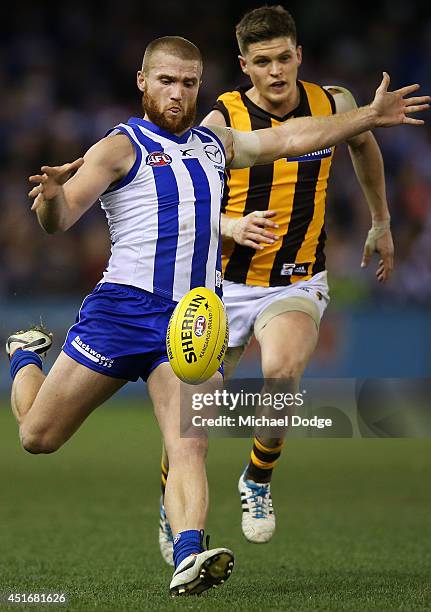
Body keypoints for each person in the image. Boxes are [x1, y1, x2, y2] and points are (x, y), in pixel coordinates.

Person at [6, 34, 427, 596]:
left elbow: (292, 136)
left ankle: (188, 555)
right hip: (119, 314)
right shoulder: (119, 146)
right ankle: (24, 356)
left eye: (188, 83)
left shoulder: (213, 143)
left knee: (190, 440)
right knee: (38, 437)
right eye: (166, 81)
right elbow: (59, 220)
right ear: (142, 82)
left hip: (189, 320)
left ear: (199, 87)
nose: (177, 93)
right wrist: (52, 197)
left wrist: (367, 118)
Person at [158, 7, 429, 564]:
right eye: (262, 62)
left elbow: (365, 149)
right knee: (194, 417)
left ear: (299, 55)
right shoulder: (221, 120)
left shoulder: (337, 104)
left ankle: (256, 479)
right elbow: (186, 202)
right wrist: (232, 225)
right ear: (243, 66)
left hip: (296, 279)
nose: (276, 71)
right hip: (219, 286)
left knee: (282, 372)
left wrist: (380, 221)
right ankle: (173, 500)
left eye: (284, 57)